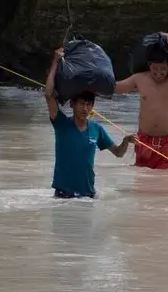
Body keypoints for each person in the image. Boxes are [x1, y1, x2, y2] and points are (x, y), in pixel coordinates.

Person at [44, 47, 133, 199]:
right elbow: (48, 94)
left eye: (89, 104)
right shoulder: (61, 123)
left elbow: (118, 153)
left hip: (88, 196)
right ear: (72, 104)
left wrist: (126, 141)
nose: (85, 108)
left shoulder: (96, 129)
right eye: (81, 104)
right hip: (63, 196)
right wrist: (55, 63)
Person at [114, 32, 168, 170]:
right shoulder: (139, 79)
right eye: (154, 68)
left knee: (167, 182)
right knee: (142, 181)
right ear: (149, 65)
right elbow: (116, 88)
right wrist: (91, 84)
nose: (158, 73)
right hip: (144, 140)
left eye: (162, 69)